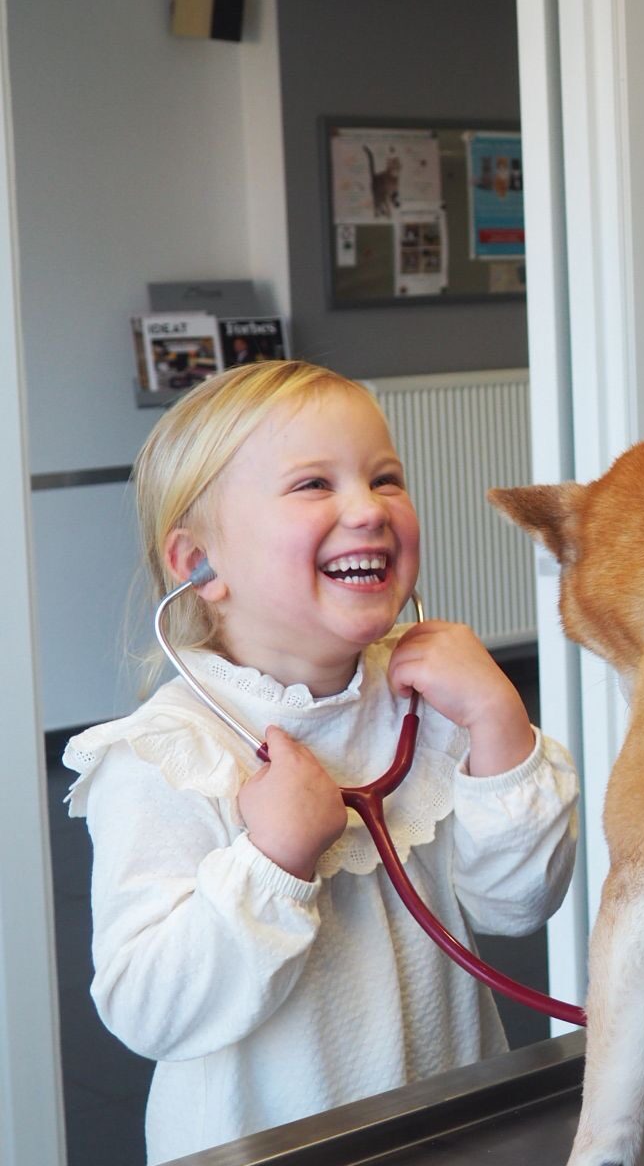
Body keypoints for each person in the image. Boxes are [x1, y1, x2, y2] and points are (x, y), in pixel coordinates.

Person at [62, 361, 579, 1163]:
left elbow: (516, 906)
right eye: (313, 484)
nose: (368, 509)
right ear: (199, 564)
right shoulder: (166, 757)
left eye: (385, 478)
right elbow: (146, 1007)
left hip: (447, 1131)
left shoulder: (430, 704)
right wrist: (274, 861)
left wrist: (499, 723)